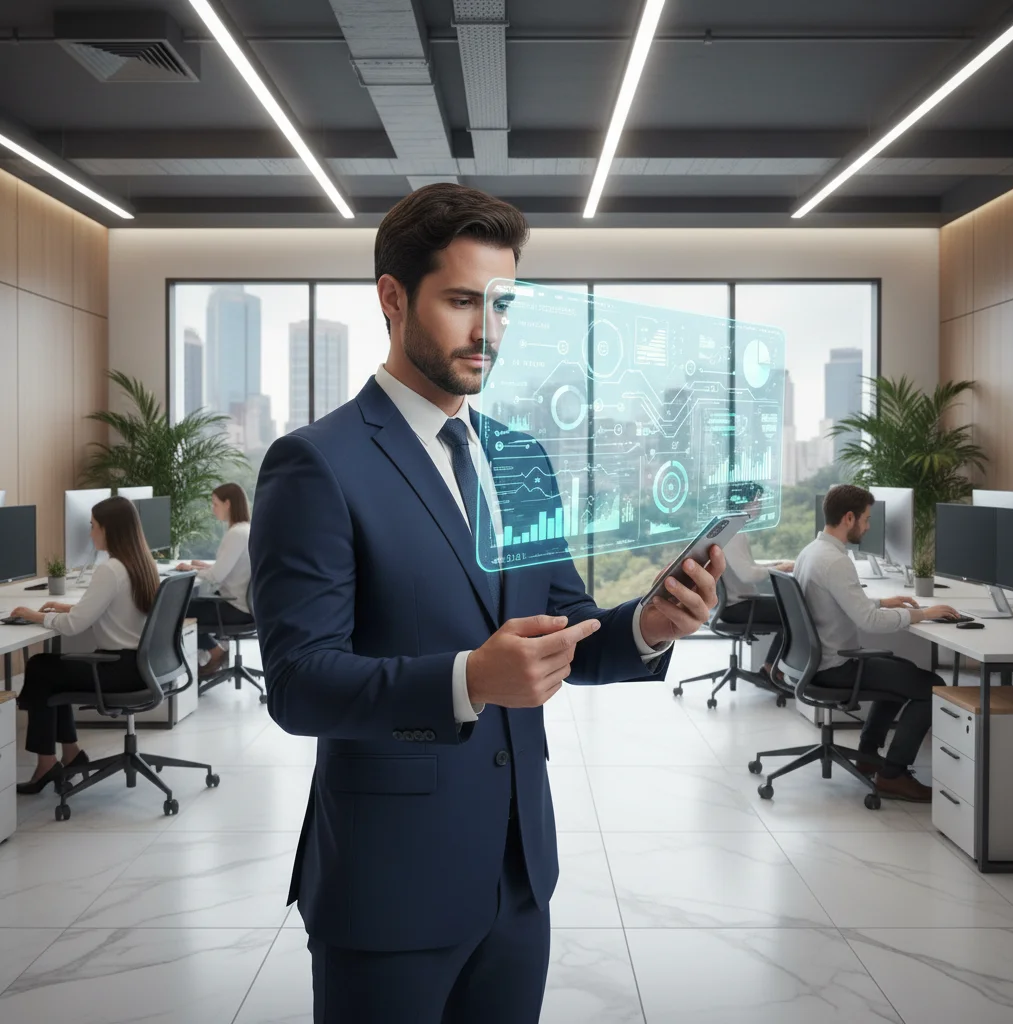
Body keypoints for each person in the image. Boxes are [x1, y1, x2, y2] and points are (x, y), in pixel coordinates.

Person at [249, 183, 726, 1024]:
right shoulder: (315, 464)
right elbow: (297, 685)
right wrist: (469, 679)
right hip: (387, 888)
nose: (488, 332)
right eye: (464, 301)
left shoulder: (519, 459)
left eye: (502, 304)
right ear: (393, 299)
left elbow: (570, 630)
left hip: (516, 878)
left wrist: (652, 623)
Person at [793, 484, 959, 802]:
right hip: (834, 667)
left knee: (902, 671)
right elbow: (867, 622)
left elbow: (842, 602)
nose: (869, 527)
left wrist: (884, 602)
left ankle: (869, 755)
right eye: (866, 519)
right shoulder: (836, 561)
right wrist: (924, 613)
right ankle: (893, 774)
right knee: (931, 685)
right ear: (849, 518)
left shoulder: (813, 551)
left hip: (816, 663)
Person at [12, 496, 159, 795]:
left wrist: (36, 616)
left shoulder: (111, 569)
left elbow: (75, 626)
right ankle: (70, 753)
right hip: (141, 667)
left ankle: (46, 763)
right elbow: (113, 609)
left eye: (93, 527)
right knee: (56, 668)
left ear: (109, 530)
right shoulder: (142, 562)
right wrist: (66, 609)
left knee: (41, 667)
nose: (90, 533)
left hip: (117, 670)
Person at [176, 482, 251, 677]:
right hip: (246, 607)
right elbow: (230, 569)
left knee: (175, 611)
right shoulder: (246, 530)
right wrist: (201, 567)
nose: (213, 509)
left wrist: (189, 570)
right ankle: (213, 650)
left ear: (228, 504)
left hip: (234, 608)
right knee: (186, 606)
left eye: (215, 504)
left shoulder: (235, 534)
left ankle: (214, 650)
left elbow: (215, 577)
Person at [720, 481, 793, 678]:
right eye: (758, 499)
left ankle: (771, 667)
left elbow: (747, 567)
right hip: (739, 607)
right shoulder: (735, 534)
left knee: (789, 609)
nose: (760, 503)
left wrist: (774, 565)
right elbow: (747, 575)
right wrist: (777, 569)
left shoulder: (729, 526)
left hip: (734, 604)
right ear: (748, 502)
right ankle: (771, 668)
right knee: (796, 614)